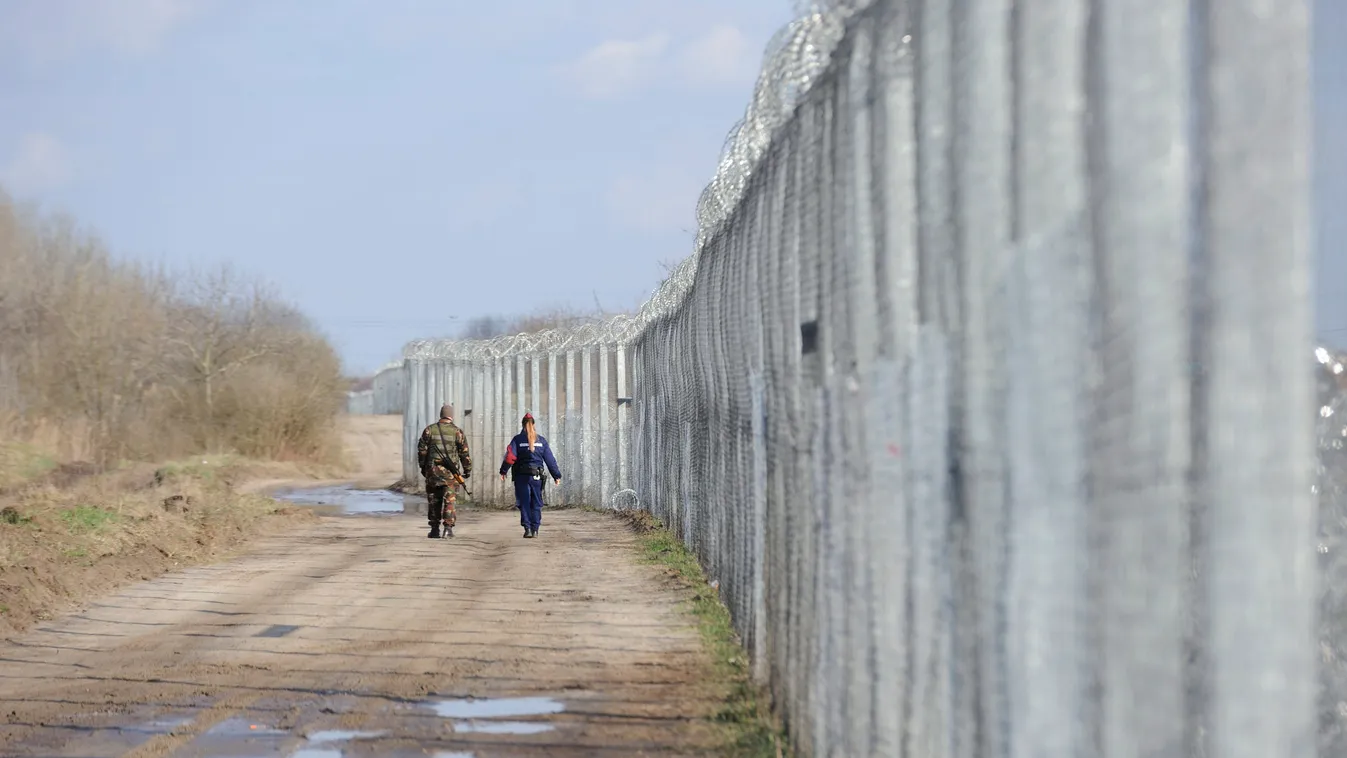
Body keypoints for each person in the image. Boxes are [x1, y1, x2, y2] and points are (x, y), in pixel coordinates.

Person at [499, 412, 561, 538]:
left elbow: (510, 457)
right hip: (537, 476)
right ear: (534, 425)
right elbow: (550, 460)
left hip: (521, 476)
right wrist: (556, 475)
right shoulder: (541, 441)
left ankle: (527, 529)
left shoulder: (517, 440)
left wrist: (503, 471)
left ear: (522, 425)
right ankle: (535, 529)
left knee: (524, 502)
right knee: (536, 503)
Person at [417, 403, 472, 539]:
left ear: (441, 415)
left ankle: (434, 529)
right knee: (449, 500)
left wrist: (424, 468)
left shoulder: (429, 430)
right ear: (451, 416)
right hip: (450, 474)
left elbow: (422, 451)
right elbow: (464, 454)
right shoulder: (457, 432)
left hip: (433, 472)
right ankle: (448, 528)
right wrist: (467, 470)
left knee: (434, 500)